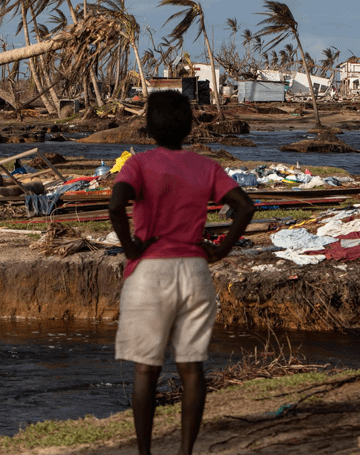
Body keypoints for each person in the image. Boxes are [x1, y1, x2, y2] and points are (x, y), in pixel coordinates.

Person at [108, 90, 255, 455]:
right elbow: (245, 207)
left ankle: (145, 453)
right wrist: (220, 249)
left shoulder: (138, 164)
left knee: (146, 370)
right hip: (194, 270)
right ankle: (185, 452)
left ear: (148, 127)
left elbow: (116, 204)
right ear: (190, 126)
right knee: (192, 369)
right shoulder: (206, 167)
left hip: (149, 272)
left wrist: (130, 247)